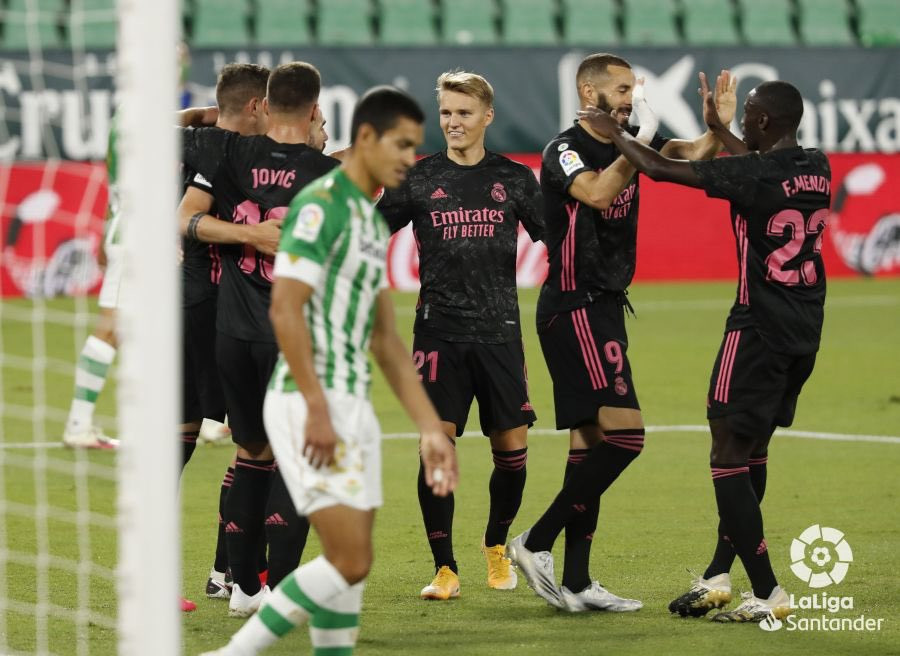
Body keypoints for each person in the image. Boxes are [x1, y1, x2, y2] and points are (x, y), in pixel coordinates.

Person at [199, 85, 458, 656]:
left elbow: (386, 338)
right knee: (349, 558)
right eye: (400, 145)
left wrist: (429, 428)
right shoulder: (320, 206)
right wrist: (316, 406)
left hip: (351, 403)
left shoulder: (367, 222)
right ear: (364, 139)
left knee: (352, 569)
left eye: (415, 148)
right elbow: (284, 307)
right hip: (307, 399)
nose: (408, 160)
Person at [581, 77, 829, 623]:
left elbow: (659, 169)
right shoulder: (816, 165)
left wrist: (613, 133)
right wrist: (717, 129)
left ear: (763, 122)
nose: (744, 118)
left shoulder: (756, 171)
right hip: (805, 330)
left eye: (748, 113)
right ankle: (719, 574)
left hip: (757, 329)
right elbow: (758, 172)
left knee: (726, 453)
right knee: (752, 449)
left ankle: (767, 592)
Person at [507, 53, 736, 613]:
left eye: (634, 87)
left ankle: (580, 582)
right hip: (575, 305)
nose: (632, 96)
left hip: (604, 305)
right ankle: (535, 542)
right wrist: (644, 143)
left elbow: (690, 158)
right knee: (626, 438)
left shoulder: (628, 140)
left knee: (588, 446)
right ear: (589, 90)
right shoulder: (564, 147)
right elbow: (597, 193)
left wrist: (716, 127)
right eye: (622, 87)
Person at [179, 62, 339, 617]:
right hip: (290, 337)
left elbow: (185, 221)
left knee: (251, 457)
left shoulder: (224, 156)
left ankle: (242, 587)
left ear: (265, 106)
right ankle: (282, 590)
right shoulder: (328, 175)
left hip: (231, 336)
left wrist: (245, 233)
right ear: (317, 109)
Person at [379, 71, 543, 600]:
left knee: (511, 452)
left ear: (487, 117)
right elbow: (370, 226)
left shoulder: (515, 179)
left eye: (464, 113)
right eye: (446, 113)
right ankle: (444, 567)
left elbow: (558, 239)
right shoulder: (418, 178)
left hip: (500, 333)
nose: (453, 122)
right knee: (436, 451)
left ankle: (496, 544)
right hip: (438, 335)